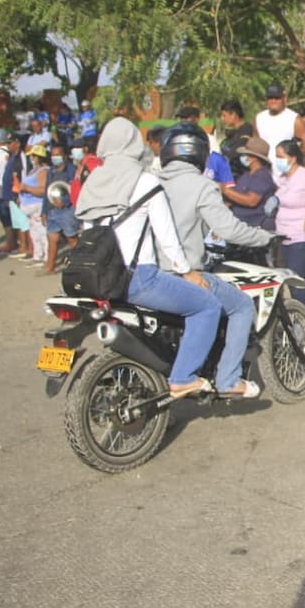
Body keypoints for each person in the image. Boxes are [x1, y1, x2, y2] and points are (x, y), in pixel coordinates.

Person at [76, 116, 223, 398]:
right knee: (207, 305)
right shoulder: (145, 180)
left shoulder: (94, 180)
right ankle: (183, 377)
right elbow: (166, 235)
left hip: (99, 278)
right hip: (139, 278)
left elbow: (87, 232)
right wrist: (186, 271)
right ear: (134, 144)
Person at [158, 123, 274, 397]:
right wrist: (262, 237)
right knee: (242, 306)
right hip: (182, 274)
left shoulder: (152, 182)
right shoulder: (203, 186)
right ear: (199, 153)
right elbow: (229, 229)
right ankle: (229, 379)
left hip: (148, 274)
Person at [273, 139, 305, 310]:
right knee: (302, 280)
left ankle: (300, 321)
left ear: (293, 158)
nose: (277, 160)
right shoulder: (282, 178)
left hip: (300, 236)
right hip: (283, 235)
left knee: (296, 282)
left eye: (280, 156)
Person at [228, 136, 278, 237]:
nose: (243, 157)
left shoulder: (262, 176)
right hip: (240, 226)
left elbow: (251, 200)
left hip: (255, 227)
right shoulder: (246, 175)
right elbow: (236, 197)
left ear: (253, 157)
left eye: (246, 154)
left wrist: (225, 190)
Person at [42, 142, 78, 275]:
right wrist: (44, 212)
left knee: (71, 239)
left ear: (64, 156)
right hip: (52, 210)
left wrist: (65, 202)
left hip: (67, 210)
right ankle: (49, 268)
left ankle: (78, 266)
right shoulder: (50, 171)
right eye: (53, 155)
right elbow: (47, 191)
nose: (55, 157)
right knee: (52, 239)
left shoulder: (72, 170)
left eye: (58, 155)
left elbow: (75, 190)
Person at [17, 144, 50, 266]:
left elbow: (42, 190)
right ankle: (37, 255)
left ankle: (46, 256)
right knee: (34, 233)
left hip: (37, 204)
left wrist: (26, 188)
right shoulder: (33, 170)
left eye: (34, 156)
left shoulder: (44, 171)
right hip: (28, 205)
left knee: (42, 232)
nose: (32, 158)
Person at [256, 83, 305, 153]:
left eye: (277, 98)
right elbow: (255, 145)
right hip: (265, 163)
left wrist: (291, 159)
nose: (273, 101)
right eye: (270, 98)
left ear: (284, 98)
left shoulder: (294, 119)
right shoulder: (259, 118)